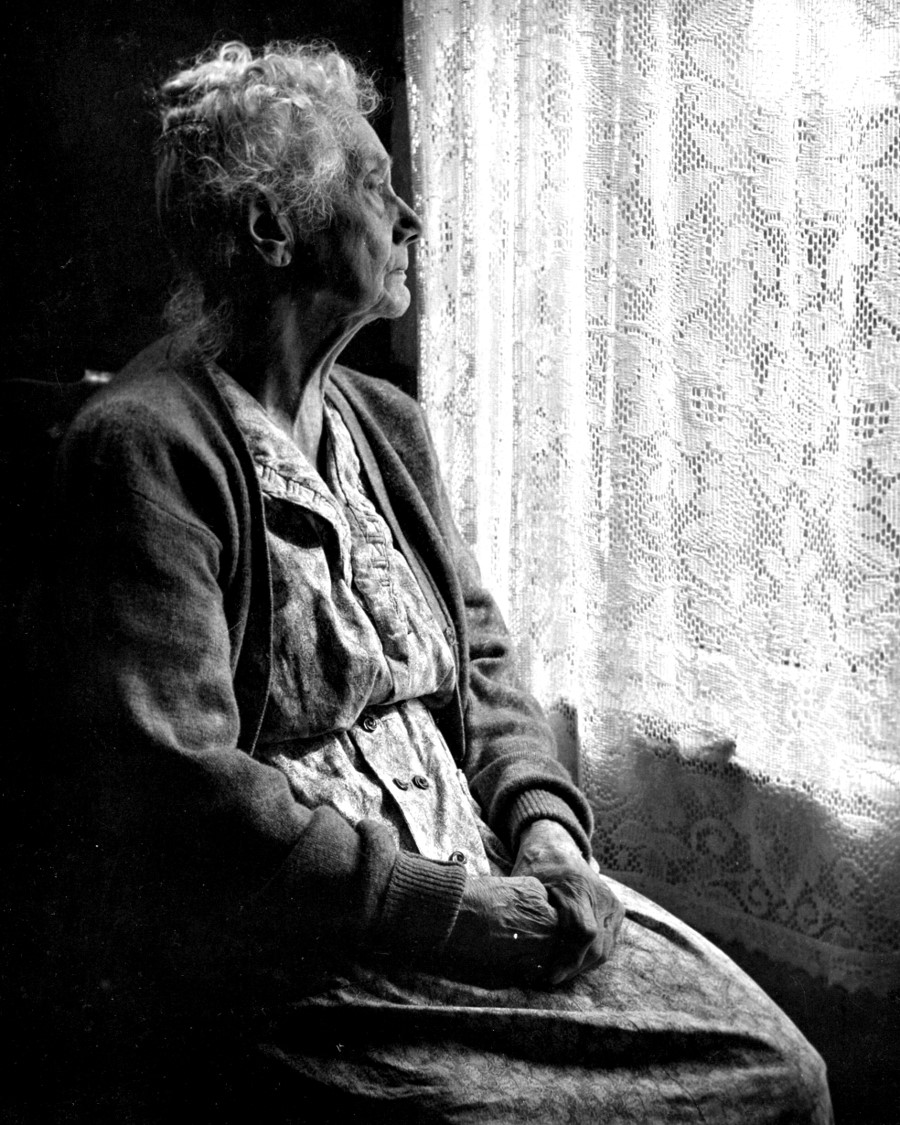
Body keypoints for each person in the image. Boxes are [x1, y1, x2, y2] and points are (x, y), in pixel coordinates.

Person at [29, 39, 832, 1123]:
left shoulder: (389, 426)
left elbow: (483, 663)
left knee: (782, 1062)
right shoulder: (141, 446)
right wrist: (459, 916)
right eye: (376, 186)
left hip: (485, 868)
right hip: (314, 955)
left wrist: (545, 828)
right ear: (273, 229)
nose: (411, 217)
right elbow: (185, 793)